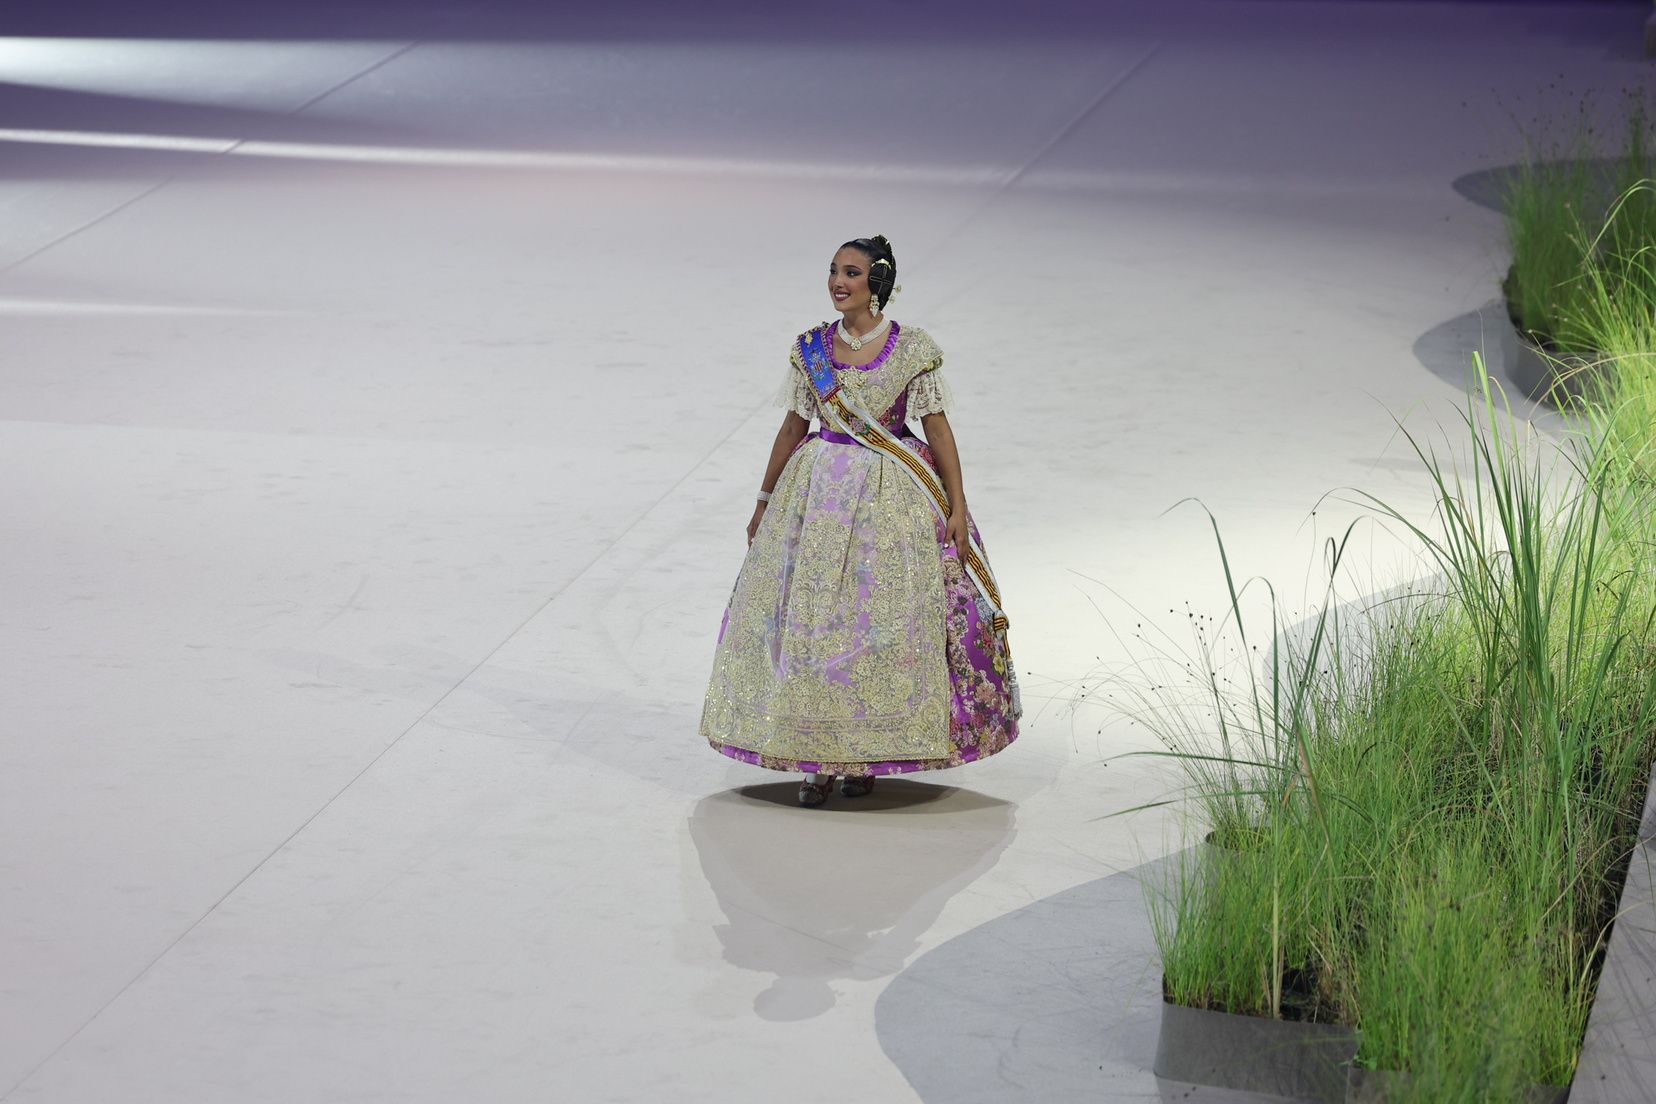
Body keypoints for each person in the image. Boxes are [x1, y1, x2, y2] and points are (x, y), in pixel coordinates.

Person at [699, 235, 1021, 807]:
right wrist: (764, 500)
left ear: (877, 282)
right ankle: (812, 761)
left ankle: (865, 756)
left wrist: (958, 502)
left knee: (882, 626)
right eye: (832, 271)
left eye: (850, 272)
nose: (837, 282)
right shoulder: (810, 350)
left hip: (890, 500)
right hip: (815, 497)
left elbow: (938, 429)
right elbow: (792, 428)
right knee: (809, 625)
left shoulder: (911, 349)